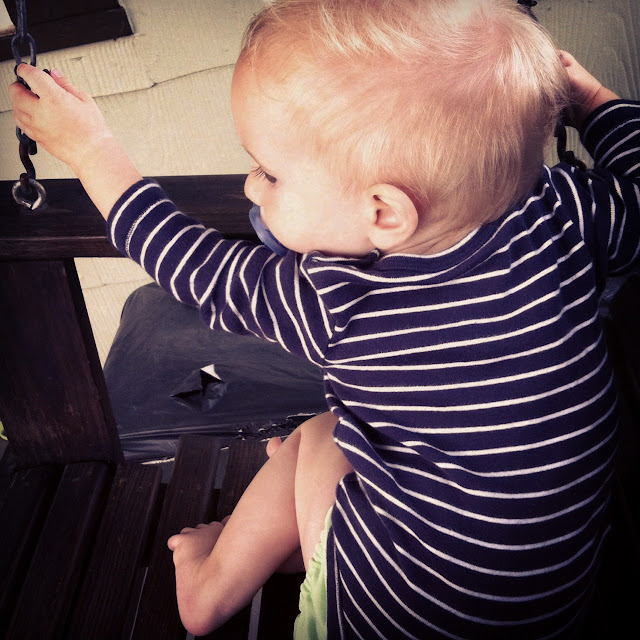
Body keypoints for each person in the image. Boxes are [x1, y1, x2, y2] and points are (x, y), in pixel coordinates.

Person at [9, 1, 640, 638]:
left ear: (384, 213)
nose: (251, 188)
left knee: (323, 433)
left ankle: (210, 585)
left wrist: (91, 148)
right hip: (547, 610)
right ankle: (304, 537)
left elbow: (190, 262)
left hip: (388, 616)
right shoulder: (566, 211)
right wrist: (596, 103)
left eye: (270, 173)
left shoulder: (347, 301)